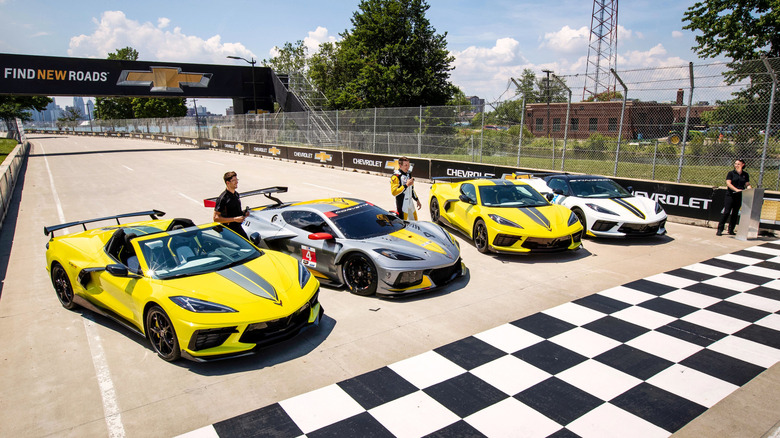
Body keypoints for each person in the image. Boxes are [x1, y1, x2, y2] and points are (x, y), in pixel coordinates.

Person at [717, 159, 752, 236]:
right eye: (735, 164)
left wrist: (750, 189)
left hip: (739, 196)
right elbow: (728, 184)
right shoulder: (731, 173)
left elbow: (747, 184)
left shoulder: (745, 174)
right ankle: (720, 229)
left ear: (743, 164)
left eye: (738, 164)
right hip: (730, 195)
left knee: (735, 213)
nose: (736, 165)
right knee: (726, 212)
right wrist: (736, 190)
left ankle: (731, 229)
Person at [213, 171, 249, 239]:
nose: (236, 182)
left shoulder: (236, 194)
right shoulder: (222, 198)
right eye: (234, 180)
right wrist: (234, 219)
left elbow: (234, 212)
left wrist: (244, 213)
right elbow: (216, 218)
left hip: (238, 228)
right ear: (227, 183)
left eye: (237, 180)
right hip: (228, 231)